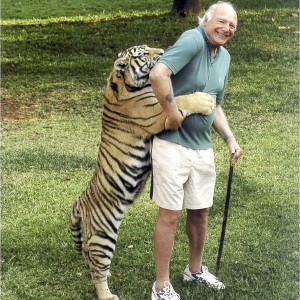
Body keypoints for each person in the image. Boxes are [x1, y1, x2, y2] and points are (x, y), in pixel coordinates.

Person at [149, 2, 242, 299]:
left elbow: (214, 104)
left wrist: (229, 138)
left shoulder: (224, 57)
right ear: (208, 19)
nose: (226, 29)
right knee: (171, 215)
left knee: (199, 213)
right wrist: (173, 112)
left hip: (202, 148)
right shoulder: (193, 39)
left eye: (232, 26)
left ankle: (195, 270)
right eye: (222, 21)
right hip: (172, 145)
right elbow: (158, 74)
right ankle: (161, 285)